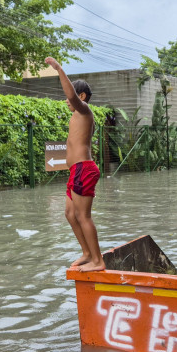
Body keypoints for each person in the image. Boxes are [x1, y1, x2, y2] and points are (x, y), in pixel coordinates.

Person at [45, 57, 105, 272]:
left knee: (82, 216)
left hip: (83, 169)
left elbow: (71, 95)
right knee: (70, 214)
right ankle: (87, 253)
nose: (66, 100)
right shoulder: (77, 116)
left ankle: (98, 261)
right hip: (76, 171)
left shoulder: (84, 110)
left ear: (82, 97)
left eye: (70, 97)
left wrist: (59, 69)